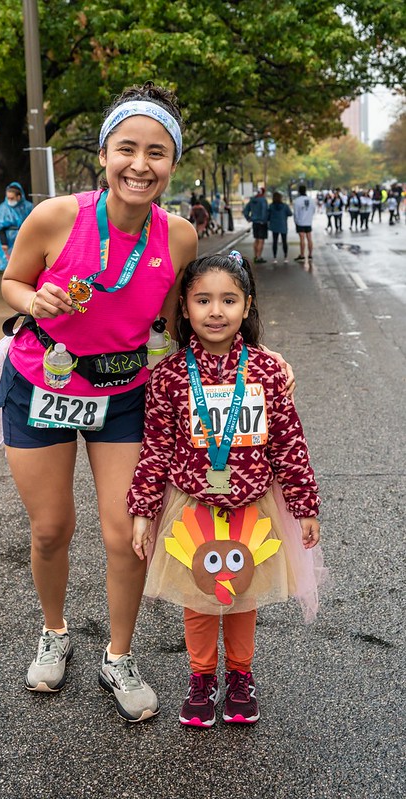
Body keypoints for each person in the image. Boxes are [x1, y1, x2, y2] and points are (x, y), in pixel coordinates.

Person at [0, 81, 295, 725]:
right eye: (126, 149)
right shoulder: (55, 216)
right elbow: (11, 278)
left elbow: (185, 324)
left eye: (157, 152)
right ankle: (54, 633)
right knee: (52, 526)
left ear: (173, 163)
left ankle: (119, 655)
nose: (140, 164)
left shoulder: (177, 238)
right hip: (42, 386)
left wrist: (257, 361)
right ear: (105, 154)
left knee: (126, 534)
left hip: (121, 394)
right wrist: (34, 301)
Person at [127, 252, 324, 728]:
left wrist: (305, 506)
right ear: (185, 308)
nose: (216, 311)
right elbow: (155, 447)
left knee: (243, 595)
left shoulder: (267, 371)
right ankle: (201, 677)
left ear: (247, 306)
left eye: (229, 300)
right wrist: (142, 511)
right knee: (199, 597)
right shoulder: (170, 376)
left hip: (252, 504)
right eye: (203, 300)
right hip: (191, 504)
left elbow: (288, 441)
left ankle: (240, 675)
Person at [0, 182, 33, 272]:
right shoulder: (3, 208)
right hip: (8, 239)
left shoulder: (28, 207)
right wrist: (4, 243)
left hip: (24, 239)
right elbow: (0, 226)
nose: (10, 200)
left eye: (12, 198)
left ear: (19, 197)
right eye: (8, 198)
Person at [243, 187, 268, 263]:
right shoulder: (263, 200)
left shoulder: (252, 200)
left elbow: (245, 210)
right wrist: (264, 220)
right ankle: (259, 257)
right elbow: (264, 211)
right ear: (263, 193)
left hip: (254, 222)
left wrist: (248, 218)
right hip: (262, 222)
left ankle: (255, 256)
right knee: (261, 240)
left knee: (256, 239)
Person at [267, 191, 292, 263]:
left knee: (275, 242)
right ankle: (285, 257)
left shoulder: (271, 206)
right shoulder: (285, 206)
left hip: (274, 226)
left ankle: (275, 258)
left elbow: (268, 216)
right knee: (284, 241)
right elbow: (290, 214)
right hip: (283, 225)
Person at [293, 185, 316, 261]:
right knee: (309, 238)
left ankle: (302, 254)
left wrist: (296, 221)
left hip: (300, 222)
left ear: (299, 191)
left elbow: (295, 213)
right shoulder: (311, 200)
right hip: (308, 221)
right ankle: (310, 254)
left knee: (302, 239)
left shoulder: (297, 201)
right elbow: (313, 210)